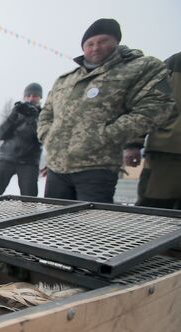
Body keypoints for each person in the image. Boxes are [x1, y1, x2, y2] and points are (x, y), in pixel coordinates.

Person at [37, 18, 178, 203]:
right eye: (90, 44)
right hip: (57, 168)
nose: (95, 47)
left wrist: (106, 135)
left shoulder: (138, 69)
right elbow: (47, 113)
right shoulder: (67, 79)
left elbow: (154, 108)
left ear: (116, 42)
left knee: (89, 227)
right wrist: (49, 136)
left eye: (103, 41)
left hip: (96, 167)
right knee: (52, 224)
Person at [132, 51, 181, 209]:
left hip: (168, 151)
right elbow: (147, 106)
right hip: (167, 154)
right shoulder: (173, 64)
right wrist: (134, 143)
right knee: (153, 211)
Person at [0, 83, 42, 197]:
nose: (31, 98)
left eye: (35, 96)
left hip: (29, 161)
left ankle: (29, 215)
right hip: (6, 157)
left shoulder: (43, 115)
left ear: (40, 98)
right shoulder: (17, 113)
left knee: (29, 199)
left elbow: (42, 137)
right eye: (28, 95)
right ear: (24, 97)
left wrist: (33, 119)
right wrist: (12, 117)